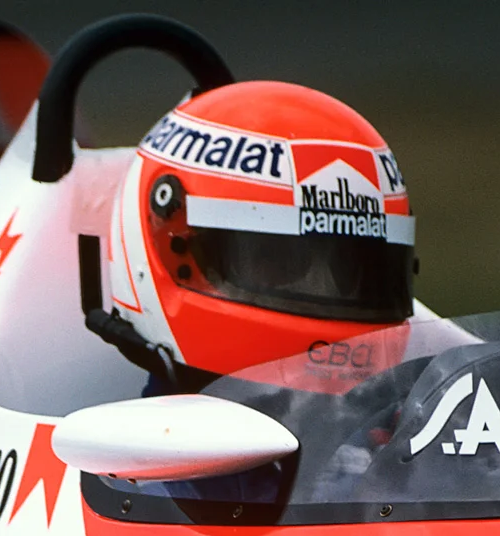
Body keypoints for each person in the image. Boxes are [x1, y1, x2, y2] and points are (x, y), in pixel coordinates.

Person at [87, 81, 418, 396]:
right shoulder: (129, 438)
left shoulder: (391, 422)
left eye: (357, 271)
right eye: (281, 261)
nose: (328, 290)